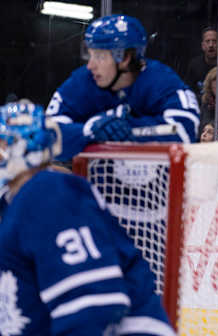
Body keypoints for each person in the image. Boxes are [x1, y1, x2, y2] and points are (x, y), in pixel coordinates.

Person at [0, 102, 175, 336]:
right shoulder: (20, 204)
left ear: (23, 145)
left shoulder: (48, 194)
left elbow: (91, 304)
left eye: (1, 144)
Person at [46, 14, 200, 161]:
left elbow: (185, 130)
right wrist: (89, 131)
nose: (90, 65)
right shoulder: (83, 81)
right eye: (90, 55)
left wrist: (129, 129)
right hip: (95, 184)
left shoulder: (161, 81)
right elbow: (46, 135)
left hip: (156, 186)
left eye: (100, 56)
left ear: (125, 58)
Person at [184, 27, 218, 97]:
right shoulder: (194, 65)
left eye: (214, 41)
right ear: (203, 46)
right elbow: (188, 92)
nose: (211, 45)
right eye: (208, 41)